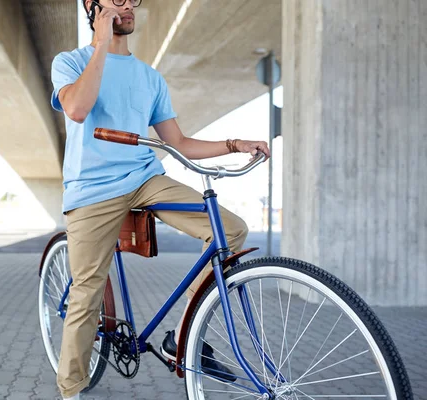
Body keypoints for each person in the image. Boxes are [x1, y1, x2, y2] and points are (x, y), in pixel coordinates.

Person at [50, 1, 270, 398]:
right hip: (92, 187)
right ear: (92, 5)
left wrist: (236, 144)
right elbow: (78, 109)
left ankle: (182, 333)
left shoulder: (150, 78)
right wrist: (100, 45)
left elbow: (180, 143)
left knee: (231, 230)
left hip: (145, 178)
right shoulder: (69, 61)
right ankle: (71, 388)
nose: (128, 5)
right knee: (87, 291)